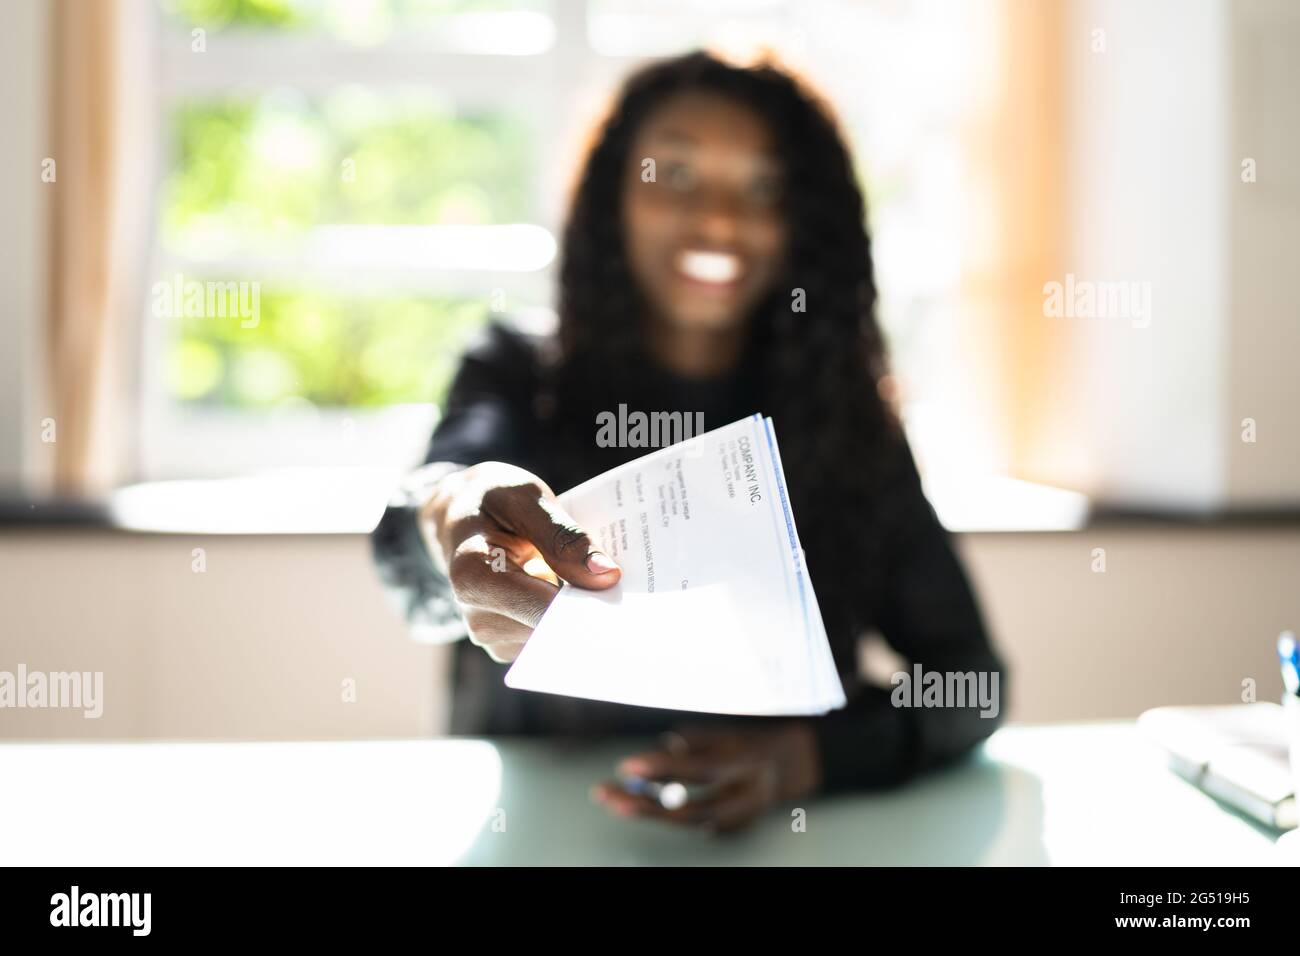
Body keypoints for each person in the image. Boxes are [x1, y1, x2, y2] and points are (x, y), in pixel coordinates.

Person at [372, 50, 1006, 833]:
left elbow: (971, 683)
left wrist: (807, 759)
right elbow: (425, 511)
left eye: (765, 188)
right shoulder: (517, 373)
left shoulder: (843, 420)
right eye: (673, 175)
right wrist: (454, 508)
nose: (718, 219)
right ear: (613, 200)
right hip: (542, 839)